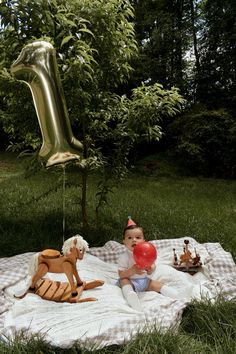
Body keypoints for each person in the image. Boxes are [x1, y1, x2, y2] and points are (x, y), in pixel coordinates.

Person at [117, 216, 179, 311]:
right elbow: (121, 274)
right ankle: (131, 297)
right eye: (129, 238)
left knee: (156, 284)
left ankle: (176, 294)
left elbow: (152, 266)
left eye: (138, 237)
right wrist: (131, 271)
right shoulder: (124, 256)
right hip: (131, 281)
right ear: (124, 242)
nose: (134, 240)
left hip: (144, 281)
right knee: (123, 281)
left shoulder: (146, 252)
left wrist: (151, 269)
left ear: (143, 241)